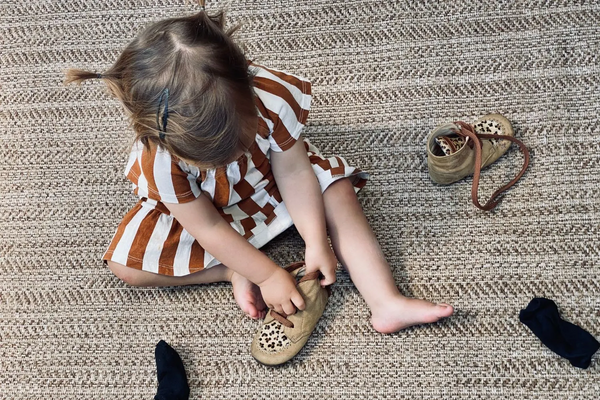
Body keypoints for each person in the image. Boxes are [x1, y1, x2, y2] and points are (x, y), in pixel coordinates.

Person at [63, 1, 453, 333]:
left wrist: (317, 240)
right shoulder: (160, 162)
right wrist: (266, 274)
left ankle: (385, 300)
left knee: (336, 188)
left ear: (249, 84)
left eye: (240, 142)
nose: (233, 158)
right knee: (124, 265)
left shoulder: (271, 95)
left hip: (271, 178)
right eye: (215, 158)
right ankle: (232, 271)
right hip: (208, 210)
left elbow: (296, 171)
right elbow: (209, 227)